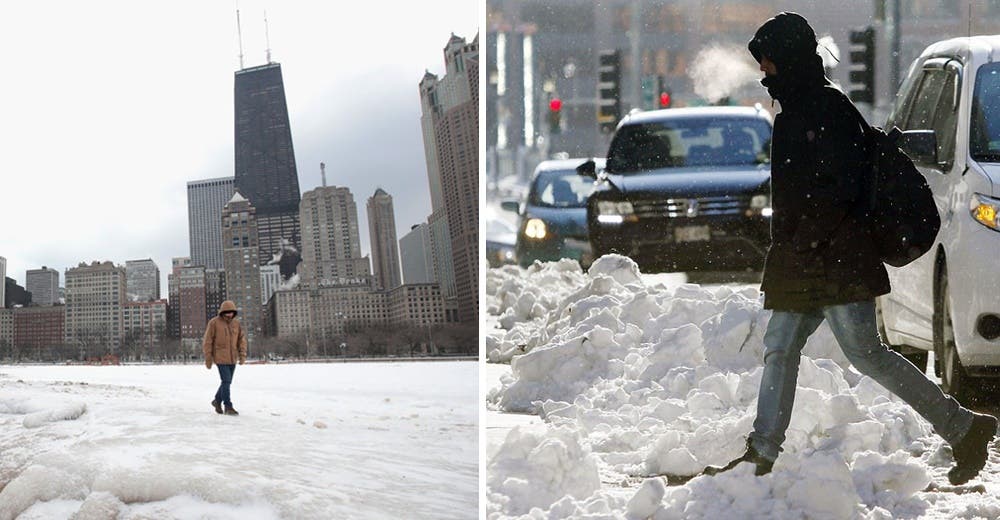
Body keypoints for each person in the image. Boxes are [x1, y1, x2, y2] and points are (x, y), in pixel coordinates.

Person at [706, 12, 997, 485]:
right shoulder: (801, 108)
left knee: (867, 354)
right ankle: (761, 452)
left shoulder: (825, 108)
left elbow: (839, 188)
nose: (764, 72)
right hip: (811, 259)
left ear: (792, 59)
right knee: (781, 346)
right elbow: (805, 187)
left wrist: (801, 239)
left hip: (836, 261)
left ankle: (964, 428)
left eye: (770, 62)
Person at [203, 300, 247, 416]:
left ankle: (217, 400)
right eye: (227, 312)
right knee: (226, 381)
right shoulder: (214, 323)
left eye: (231, 312)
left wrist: (242, 355)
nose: (229, 314)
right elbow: (208, 341)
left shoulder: (236, 323)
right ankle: (228, 406)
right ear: (222, 312)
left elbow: (241, 339)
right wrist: (208, 358)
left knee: (226, 382)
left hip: (233, 357)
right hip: (220, 357)